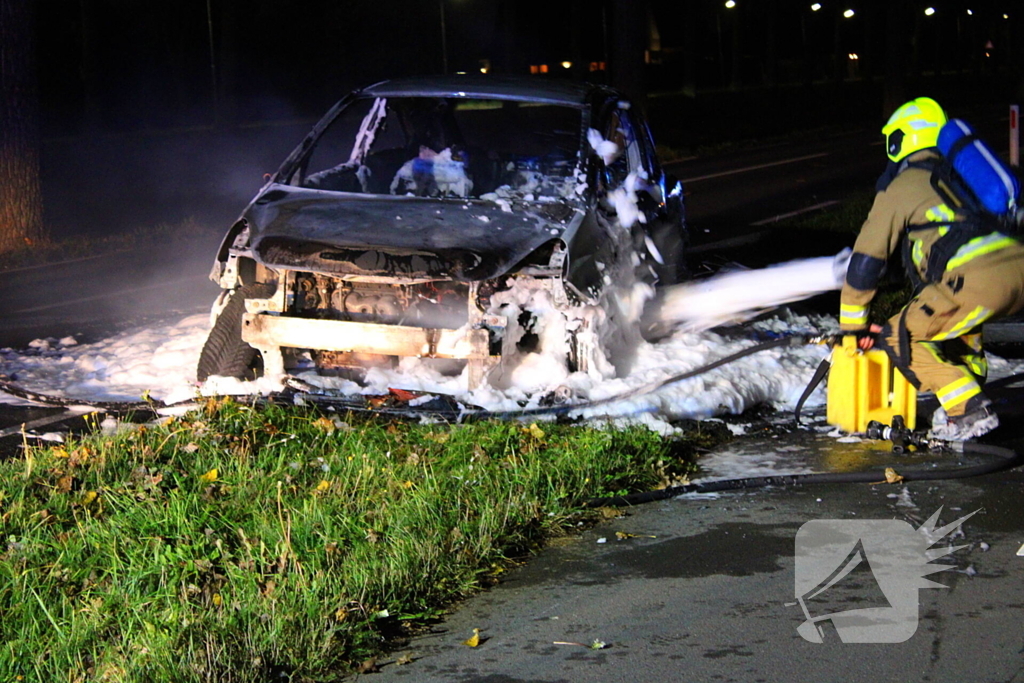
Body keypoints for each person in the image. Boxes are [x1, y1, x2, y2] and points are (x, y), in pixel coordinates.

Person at [839, 97, 1024, 441]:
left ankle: (969, 410)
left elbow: (867, 260)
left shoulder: (904, 184)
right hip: (1015, 269)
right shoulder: (961, 177)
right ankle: (964, 400)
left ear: (902, 140)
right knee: (955, 325)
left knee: (898, 335)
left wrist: (852, 325)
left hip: (977, 280)